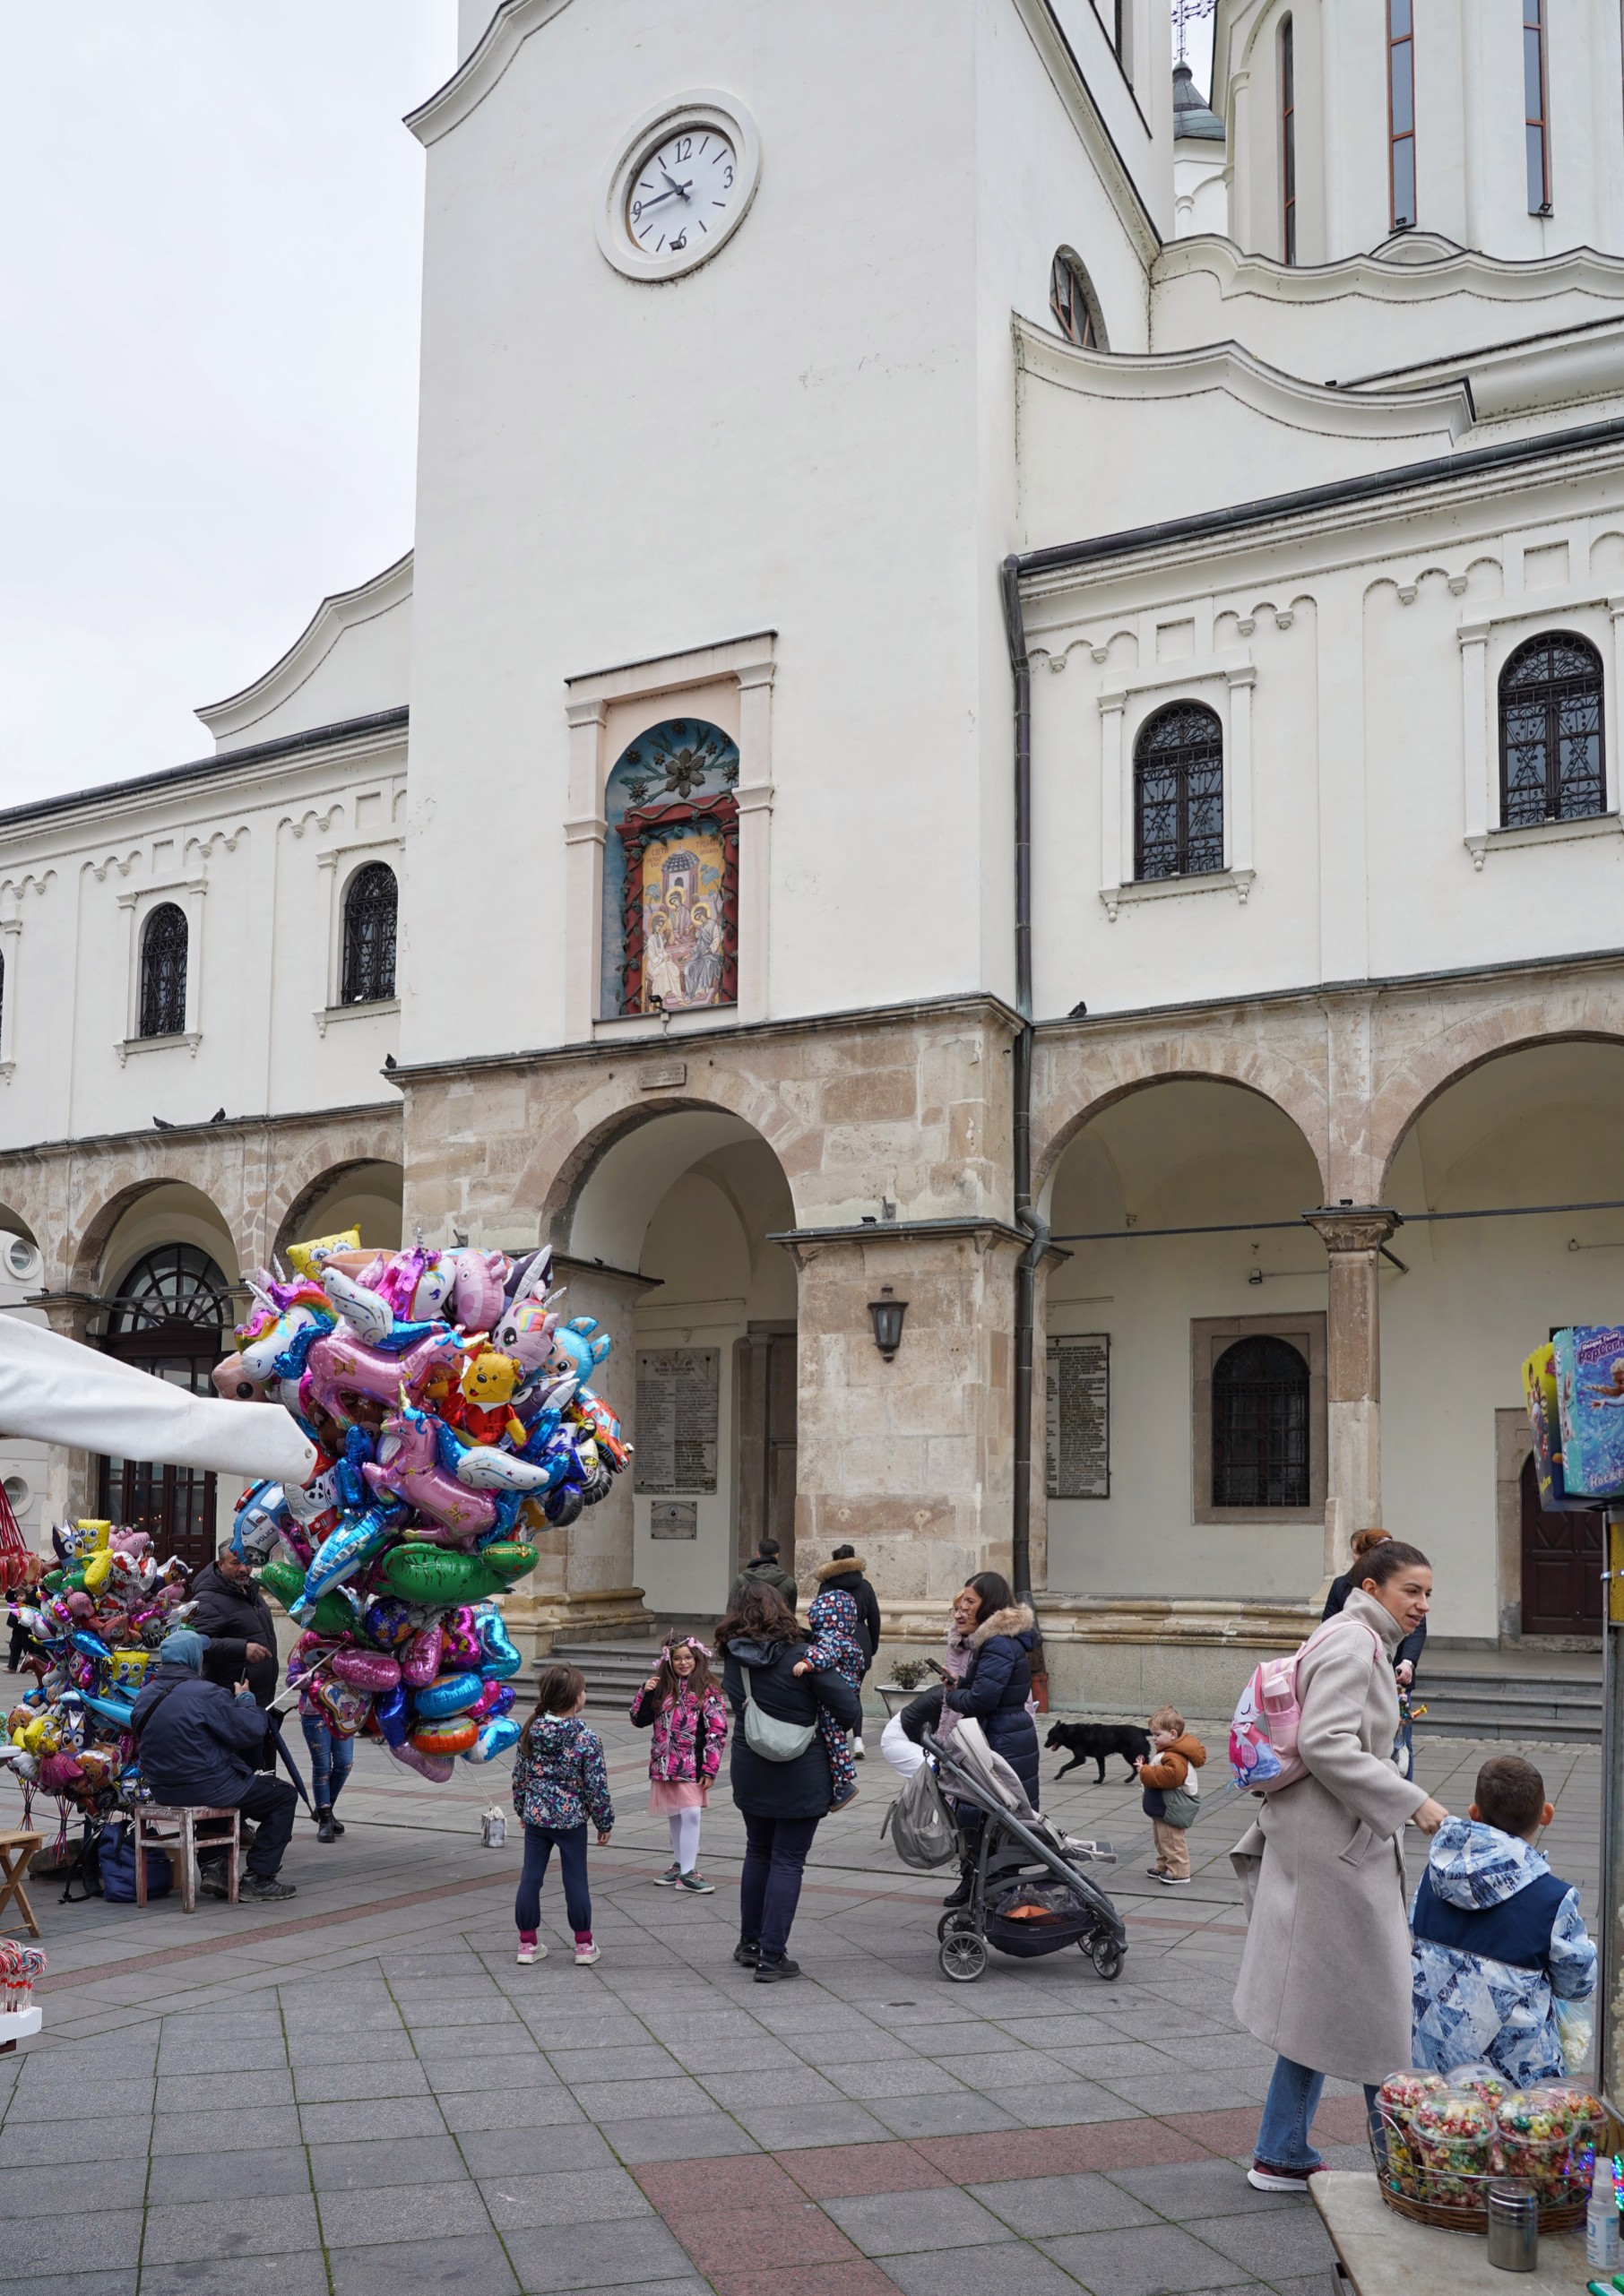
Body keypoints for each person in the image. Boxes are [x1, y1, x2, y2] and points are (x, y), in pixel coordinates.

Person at [1232, 1541, 1449, 2194]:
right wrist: (1411, 1801)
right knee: (1382, 2009)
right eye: (1412, 1590)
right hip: (1336, 1848)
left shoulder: (1355, 1636)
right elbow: (1325, 1742)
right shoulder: (1356, 1643)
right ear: (1372, 1587)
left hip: (1328, 1839)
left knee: (1321, 2001)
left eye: (1428, 1593)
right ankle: (1404, 2169)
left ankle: (1282, 2152)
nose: (1423, 1604)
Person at [1411, 1753, 1596, 2085]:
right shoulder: (1552, 1899)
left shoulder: (1433, 1877)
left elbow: (1414, 1930)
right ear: (1546, 1814)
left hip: (1433, 2061)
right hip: (1518, 2077)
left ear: (1474, 1812)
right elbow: (1578, 1983)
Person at [717, 1577, 861, 1982]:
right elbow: (848, 1710)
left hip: (750, 1767)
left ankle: (750, 1943)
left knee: (758, 1851)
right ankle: (772, 1956)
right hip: (802, 1771)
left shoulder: (733, 1658)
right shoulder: (804, 1657)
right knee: (787, 1860)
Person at [130, 1627, 298, 1903]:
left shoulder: (145, 1694)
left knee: (218, 1783)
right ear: (193, 1658)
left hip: (163, 1789)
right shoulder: (206, 1693)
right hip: (206, 1786)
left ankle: (215, 1867)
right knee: (283, 1796)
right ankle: (259, 1877)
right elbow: (250, 1730)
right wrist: (245, 1700)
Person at [937, 1573, 1041, 1908]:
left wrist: (953, 1696)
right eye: (962, 1601)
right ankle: (978, 1884)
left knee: (993, 1814)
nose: (964, 1607)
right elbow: (987, 1687)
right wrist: (962, 1685)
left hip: (1000, 1737)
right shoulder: (998, 1640)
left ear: (989, 1603)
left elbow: (982, 1700)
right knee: (991, 1813)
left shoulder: (997, 1643)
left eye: (971, 1601)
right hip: (1004, 1733)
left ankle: (995, 1891)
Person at [510, 1662, 614, 1966]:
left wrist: (522, 1808)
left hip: (537, 1817)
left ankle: (527, 1943)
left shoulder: (530, 1732)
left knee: (530, 1878)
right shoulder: (587, 1739)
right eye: (583, 1690)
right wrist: (604, 1821)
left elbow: (520, 1777)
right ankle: (583, 1944)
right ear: (576, 1697)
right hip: (571, 1821)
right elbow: (596, 1785)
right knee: (575, 1880)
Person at [630, 1636, 727, 1894]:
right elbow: (638, 1719)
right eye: (677, 1658)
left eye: (688, 1658)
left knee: (692, 1813)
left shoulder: (707, 1689)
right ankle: (681, 1863)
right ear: (668, 1660)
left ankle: (688, 1872)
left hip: (692, 1764)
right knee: (675, 1813)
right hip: (664, 1763)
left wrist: (710, 1767)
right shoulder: (661, 1688)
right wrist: (644, 1692)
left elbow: (717, 1730)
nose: (683, 1663)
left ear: (697, 1658)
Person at [1324, 1527, 1426, 1765]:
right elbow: (1329, 1628)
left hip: (1394, 1677)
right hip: (1355, 1675)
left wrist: (1408, 1662)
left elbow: (1417, 1627)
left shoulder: (1399, 1586)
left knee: (1399, 1745)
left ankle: (1400, 1787)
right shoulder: (1342, 1586)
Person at [792, 1583, 865, 1810]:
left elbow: (825, 1654)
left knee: (834, 1737)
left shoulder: (832, 1638)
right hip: (846, 1692)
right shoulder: (846, 1637)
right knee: (835, 1735)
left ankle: (844, 1782)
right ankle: (839, 1780)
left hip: (834, 1696)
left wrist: (808, 1662)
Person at [189, 1542, 280, 1706]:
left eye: (248, 1562)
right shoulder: (208, 1600)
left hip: (259, 1700)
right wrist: (242, 1649)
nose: (243, 1569)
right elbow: (194, 1644)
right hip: (229, 1703)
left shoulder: (252, 1593)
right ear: (221, 1565)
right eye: (236, 1563)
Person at [815, 1546, 881, 1757]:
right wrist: (872, 1647)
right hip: (861, 1642)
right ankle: (858, 1740)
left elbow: (819, 1619)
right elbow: (875, 1619)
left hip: (833, 1644)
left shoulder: (826, 1587)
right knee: (855, 1692)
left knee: (832, 1692)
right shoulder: (865, 1586)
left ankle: (837, 1739)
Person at [1136, 1705, 1207, 1888]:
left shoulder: (1175, 1756)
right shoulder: (1169, 1752)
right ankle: (1164, 1865)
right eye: (1153, 1734)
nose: (1153, 1738)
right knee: (1162, 1838)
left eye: (1157, 1734)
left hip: (1173, 1806)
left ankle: (1179, 1871)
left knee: (1172, 1839)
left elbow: (1171, 1777)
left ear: (1173, 1734)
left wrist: (1145, 1771)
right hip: (1165, 1805)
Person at [298, 1677, 352, 1845]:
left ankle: (324, 1809)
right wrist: (314, 1676)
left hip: (343, 1712)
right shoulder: (306, 1658)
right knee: (322, 1767)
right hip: (315, 1714)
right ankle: (325, 1817)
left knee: (345, 1764)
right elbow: (291, 1680)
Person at [730, 1536, 798, 1608]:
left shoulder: (741, 1580)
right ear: (777, 1556)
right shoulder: (789, 1582)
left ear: (758, 1554)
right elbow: (790, 1611)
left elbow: (731, 1608)